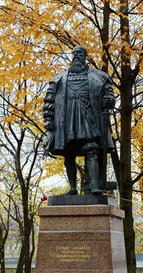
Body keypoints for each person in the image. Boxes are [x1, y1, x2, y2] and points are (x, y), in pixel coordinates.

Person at [43, 45, 115, 195]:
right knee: (68, 153)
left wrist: (109, 100)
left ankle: (94, 185)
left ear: (85, 56)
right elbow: (49, 100)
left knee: (91, 148)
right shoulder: (59, 78)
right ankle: (72, 188)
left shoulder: (99, 76)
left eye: (79, 53)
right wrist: (48, 120)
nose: (76, 55)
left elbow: (109, 93)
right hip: (66, 119)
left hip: (87, 116)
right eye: (74, 53)